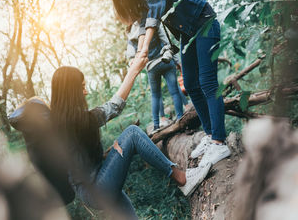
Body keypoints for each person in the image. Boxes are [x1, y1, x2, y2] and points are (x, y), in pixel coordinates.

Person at [105, 0, 231, 167]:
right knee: (190, 84)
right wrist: (140, 52)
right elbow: (146, 23)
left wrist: (145, 49)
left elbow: (156, 10)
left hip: (205, 23)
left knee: (207, 82)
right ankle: (210, 134)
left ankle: (219, 141)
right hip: (187, 34)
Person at [50, 60, 211, 218]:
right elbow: (114, 106)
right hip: (97, 189)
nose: (86, 92)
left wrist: (111, 155)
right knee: (132, 133)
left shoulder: (62, 124)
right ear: (71, 92)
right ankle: (181, 178)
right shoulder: (75, 122)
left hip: (98, 182)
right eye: (82, 87)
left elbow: (80, 163)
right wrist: (134, 70)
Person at [126, 21, 188, 133]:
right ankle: (180, 119)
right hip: (165, 61)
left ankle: (156, 125)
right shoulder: (151, 21)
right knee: (174, 92)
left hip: (151, 67)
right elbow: (166, 42)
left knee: (155, 96)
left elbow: (131, 56)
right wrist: (178, 62)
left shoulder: (131, 32)